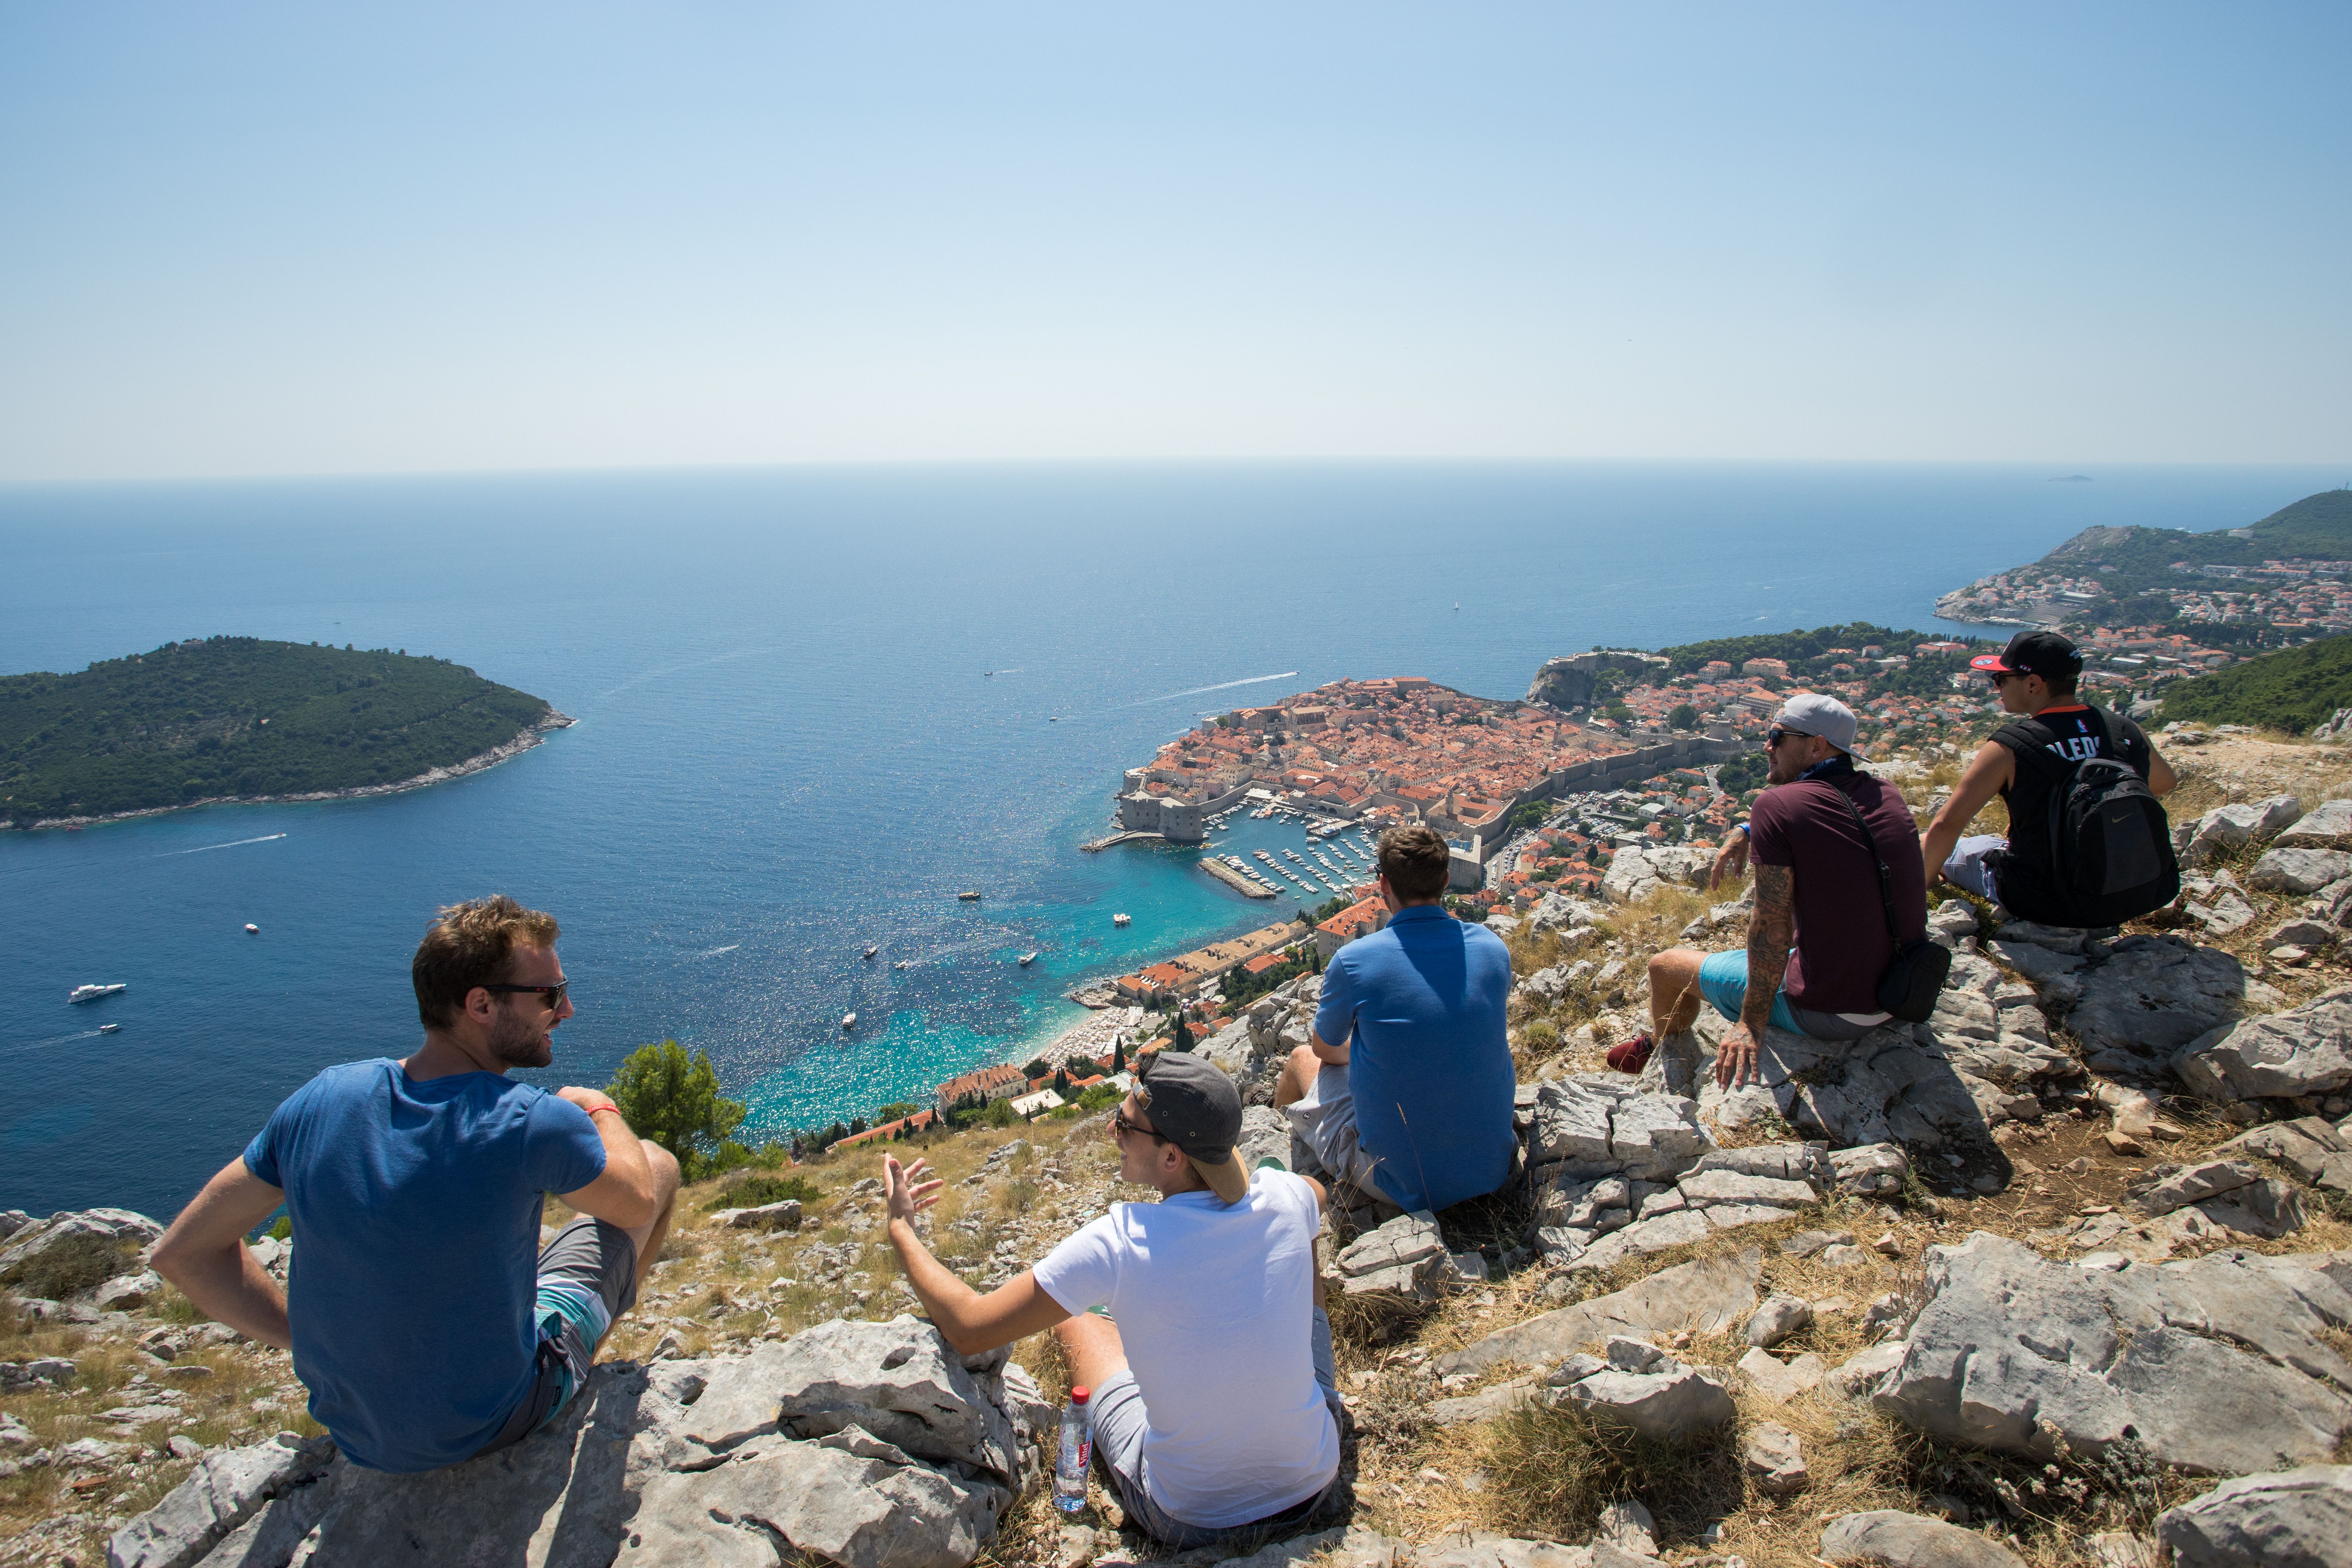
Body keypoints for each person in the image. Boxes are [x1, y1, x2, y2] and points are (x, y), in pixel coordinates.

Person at [150, 896, 680, 1473]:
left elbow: (183, 1253)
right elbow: (636, 1200)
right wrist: (599, 1107)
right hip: (490, 1421)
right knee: (657, 1164)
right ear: (481, 1004)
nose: (567, 1010)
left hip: (356, 1431)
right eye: (551, 994)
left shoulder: (321, 1099)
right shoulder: (530, 1119)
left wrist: (308, 1339)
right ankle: (573, 1362)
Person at [881, 1051, 1340, 1549]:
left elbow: (969, 1327)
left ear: (1171, 1157)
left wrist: (901, 1228)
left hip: (1192, 1517)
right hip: (1311, 1483)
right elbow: (1314, 1195)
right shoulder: (1283, 1194)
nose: (1110, 1132)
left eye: (1124, 1126)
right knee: (1303, 1233)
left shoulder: (1119, 1242)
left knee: (1076, 1320)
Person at [1620, 693, 1926, 1088]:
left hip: (1834, 1010)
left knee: (1663, 966)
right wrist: (1748, 829)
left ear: (1816, 746)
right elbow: (1825, 817)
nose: (1767, 746)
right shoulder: (1885, 792)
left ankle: (1658, 1051)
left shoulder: (1777, 805)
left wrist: (1750, 1023)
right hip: (1903, 990)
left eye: (1777, 737)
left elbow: (1772, 928)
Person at [1273, 822, 1515, 1215]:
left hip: (1401, 1183)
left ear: (1383, 884)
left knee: (1301, 1059)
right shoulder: (1493, 948)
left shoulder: (1355, 961)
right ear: (1446, 880)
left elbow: (1325, 1050)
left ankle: (1274, 1146)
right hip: (1491, 1168)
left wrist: (1367, 1052)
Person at [1921, 629, 2176, 922]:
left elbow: (1946, 825)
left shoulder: (2010, 746)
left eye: (2000, 679)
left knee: (1934, 842)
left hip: (2046, 900)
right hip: (2139, 891)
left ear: (2033, 683)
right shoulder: (2122, 729)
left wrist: (1926, 883)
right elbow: (2163, 782)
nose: (1996, 687)